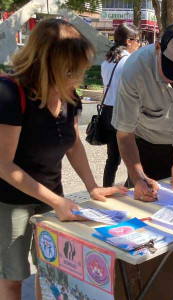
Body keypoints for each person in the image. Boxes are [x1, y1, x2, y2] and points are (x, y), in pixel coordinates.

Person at [0, 19, 127, 300]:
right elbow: (4, 166)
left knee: (49, 269)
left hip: (50, 194)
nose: (77, 79)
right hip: (10, 202)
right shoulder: (10, 93)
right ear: (47, 64)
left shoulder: (70, 95)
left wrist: (92, 186)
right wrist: (57, 201)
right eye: (72, 71)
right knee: (12, 278)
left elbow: (73, 146)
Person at [112, 22, 173, 202]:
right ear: (157, 47)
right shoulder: (134, 70)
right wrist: (138, 177)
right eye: (171, 69)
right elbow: (125, 135)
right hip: (147, 149)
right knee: (146, 206)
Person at [100, 23, 140, 187]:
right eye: (138, 40)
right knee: (134, 155)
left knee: (113, 158)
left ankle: (106, 189)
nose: (139, 44)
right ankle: (131, 187)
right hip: (124, 113)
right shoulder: (130, 61)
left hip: (107, 112)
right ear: (129, 41)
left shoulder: (107, 61)